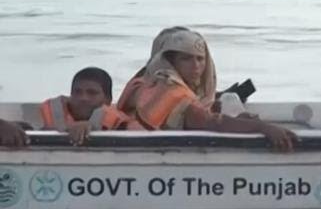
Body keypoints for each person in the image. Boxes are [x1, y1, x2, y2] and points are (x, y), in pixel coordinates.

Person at [117, 28, 295, 151]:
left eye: (200, 59)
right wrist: (263, 128)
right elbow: (212, 123)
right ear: (171, 61)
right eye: (186, 59)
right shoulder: (172, 91)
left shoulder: (146, 81)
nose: (196, 66)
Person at [39, 67, 141, 145]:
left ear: (108, 100)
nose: (83, 98)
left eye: (92, 93)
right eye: (77, 92)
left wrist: (91, 127)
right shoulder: (52, 120)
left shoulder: (122, 126)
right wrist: (65, 130)